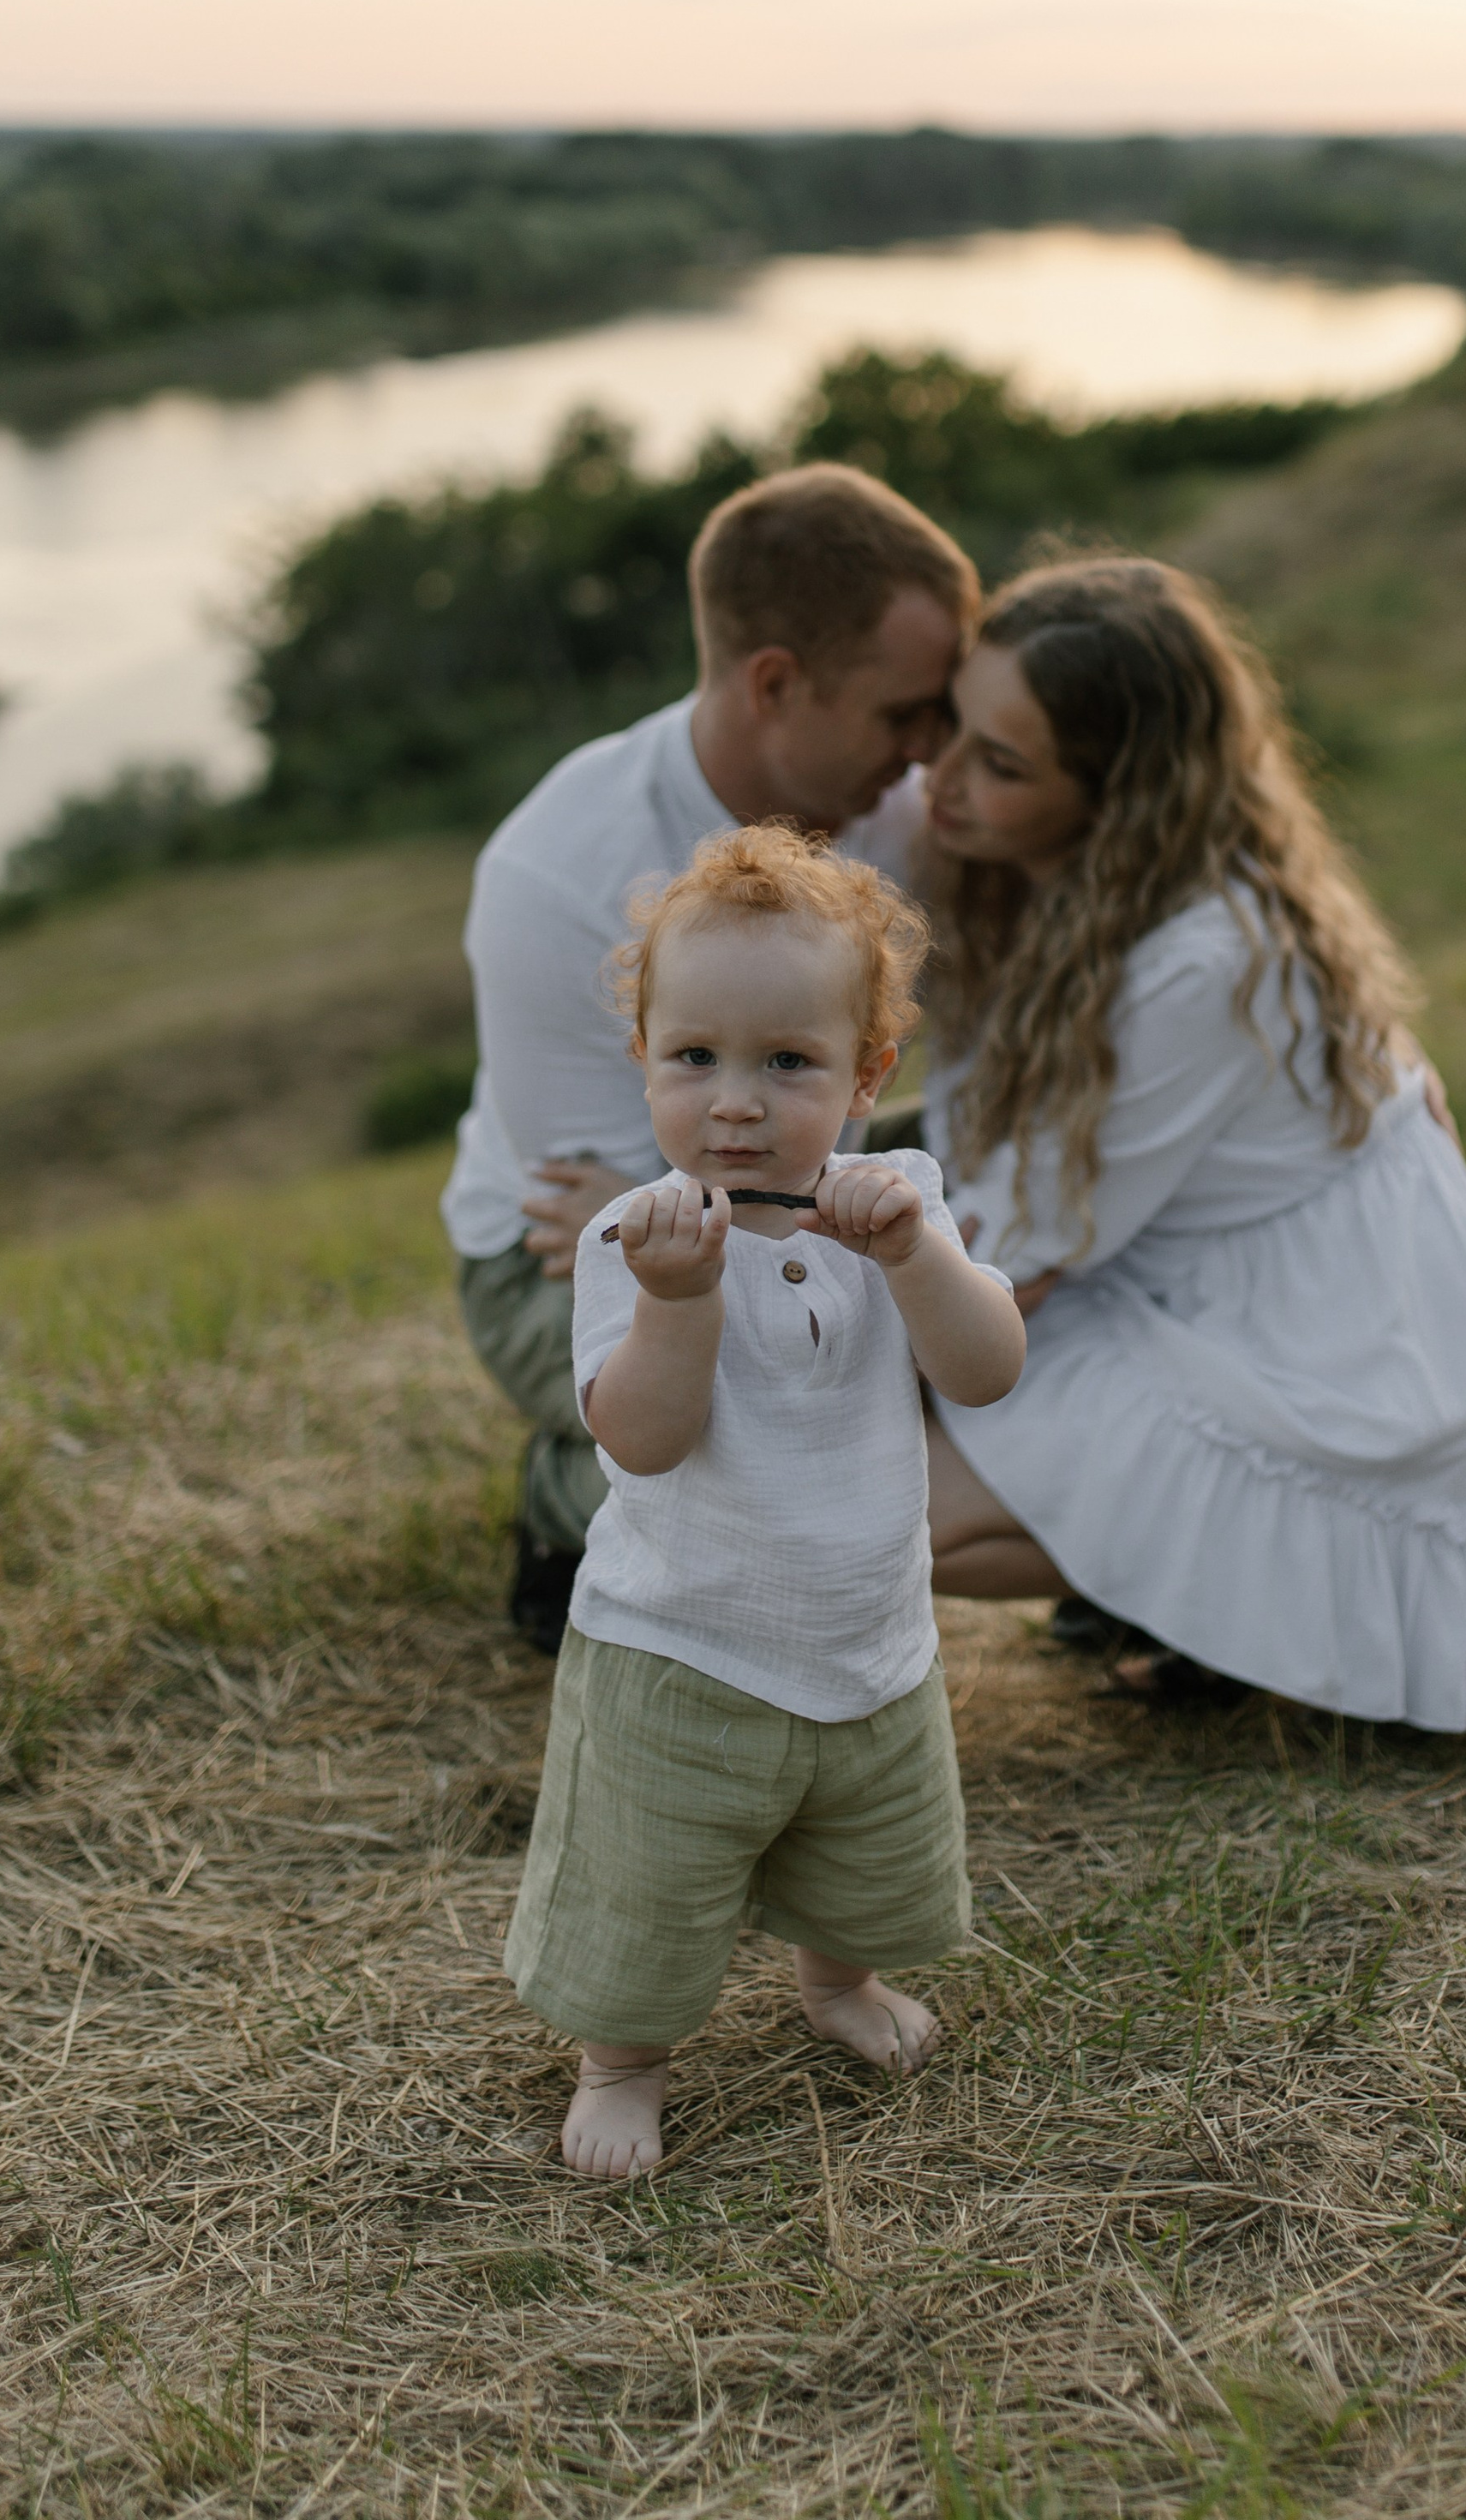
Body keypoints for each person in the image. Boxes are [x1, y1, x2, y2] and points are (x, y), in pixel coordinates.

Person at [917, 556, 1466, 1733]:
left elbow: (1007, 1252)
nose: (941, 779)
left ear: (1118, 794)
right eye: (948, 730)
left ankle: (1228, 1603)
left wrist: (751, 1280)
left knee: (889, 1509)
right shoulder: (1057, 880)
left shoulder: (1211, 958)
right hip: (1221, 1299)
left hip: (1355, 1377)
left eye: (1001, 764)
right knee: (878, 1435)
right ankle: (1188, 1602)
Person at [505, 825, 1025, 2176]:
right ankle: (623, 2060)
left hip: (865, 1636)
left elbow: (985, 1371)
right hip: (684, 1644)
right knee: (651, 1880)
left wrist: (913, 1262)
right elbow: (640, 1443)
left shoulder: (897, 1206)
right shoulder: (641, 1239)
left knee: (865, 1852)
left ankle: (835, 1983)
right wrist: (680, 1308)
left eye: (785, 1062)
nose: (734, 1101)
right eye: (696, 1059)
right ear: (646, 1062)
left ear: (864, 1077)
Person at [441, 464, 978, 1649]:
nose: (934, 747)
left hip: (787, 1165)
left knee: (973, 1308)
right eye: (906, 713)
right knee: (782, 1442)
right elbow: (624, 1213)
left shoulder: (901, 804)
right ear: (777, 686)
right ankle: (570, 1501)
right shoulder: (555, 868)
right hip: (563, 1247)